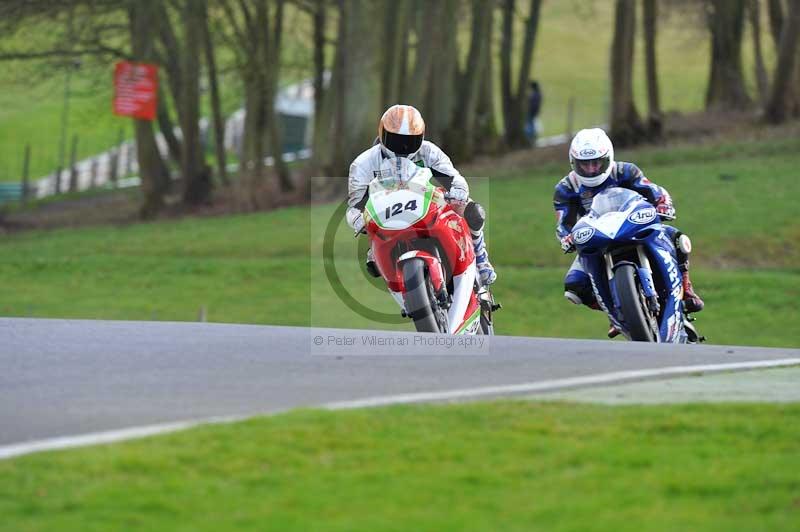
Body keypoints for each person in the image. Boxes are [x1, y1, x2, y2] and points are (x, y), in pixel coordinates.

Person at [554, 128, 704, 337]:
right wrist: (567, 237)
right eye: (584, 164)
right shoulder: (566, 187)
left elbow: (653, 191)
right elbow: (564, 222)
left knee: (677, 238)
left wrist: (663, 204)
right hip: (596, 236)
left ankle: (687, 289)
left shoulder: (626, 171)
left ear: (608, 158)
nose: (590, 169)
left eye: (596, 163)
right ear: (573, 163)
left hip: (634, 224)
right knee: (574, 286)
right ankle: (617, 311)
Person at [346, 104, 497, 285]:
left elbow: (454, 178)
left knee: (473, 211)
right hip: (384, 213)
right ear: (382, 134)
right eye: (395, 140)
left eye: (410, 141)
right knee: (373, 265)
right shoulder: (363, 163)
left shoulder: (428, 151)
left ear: (421, 137)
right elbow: (355, 206)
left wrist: (459, 191)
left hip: (425, 199)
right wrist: (358, 220)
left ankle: (481, 257)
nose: (402, 147)